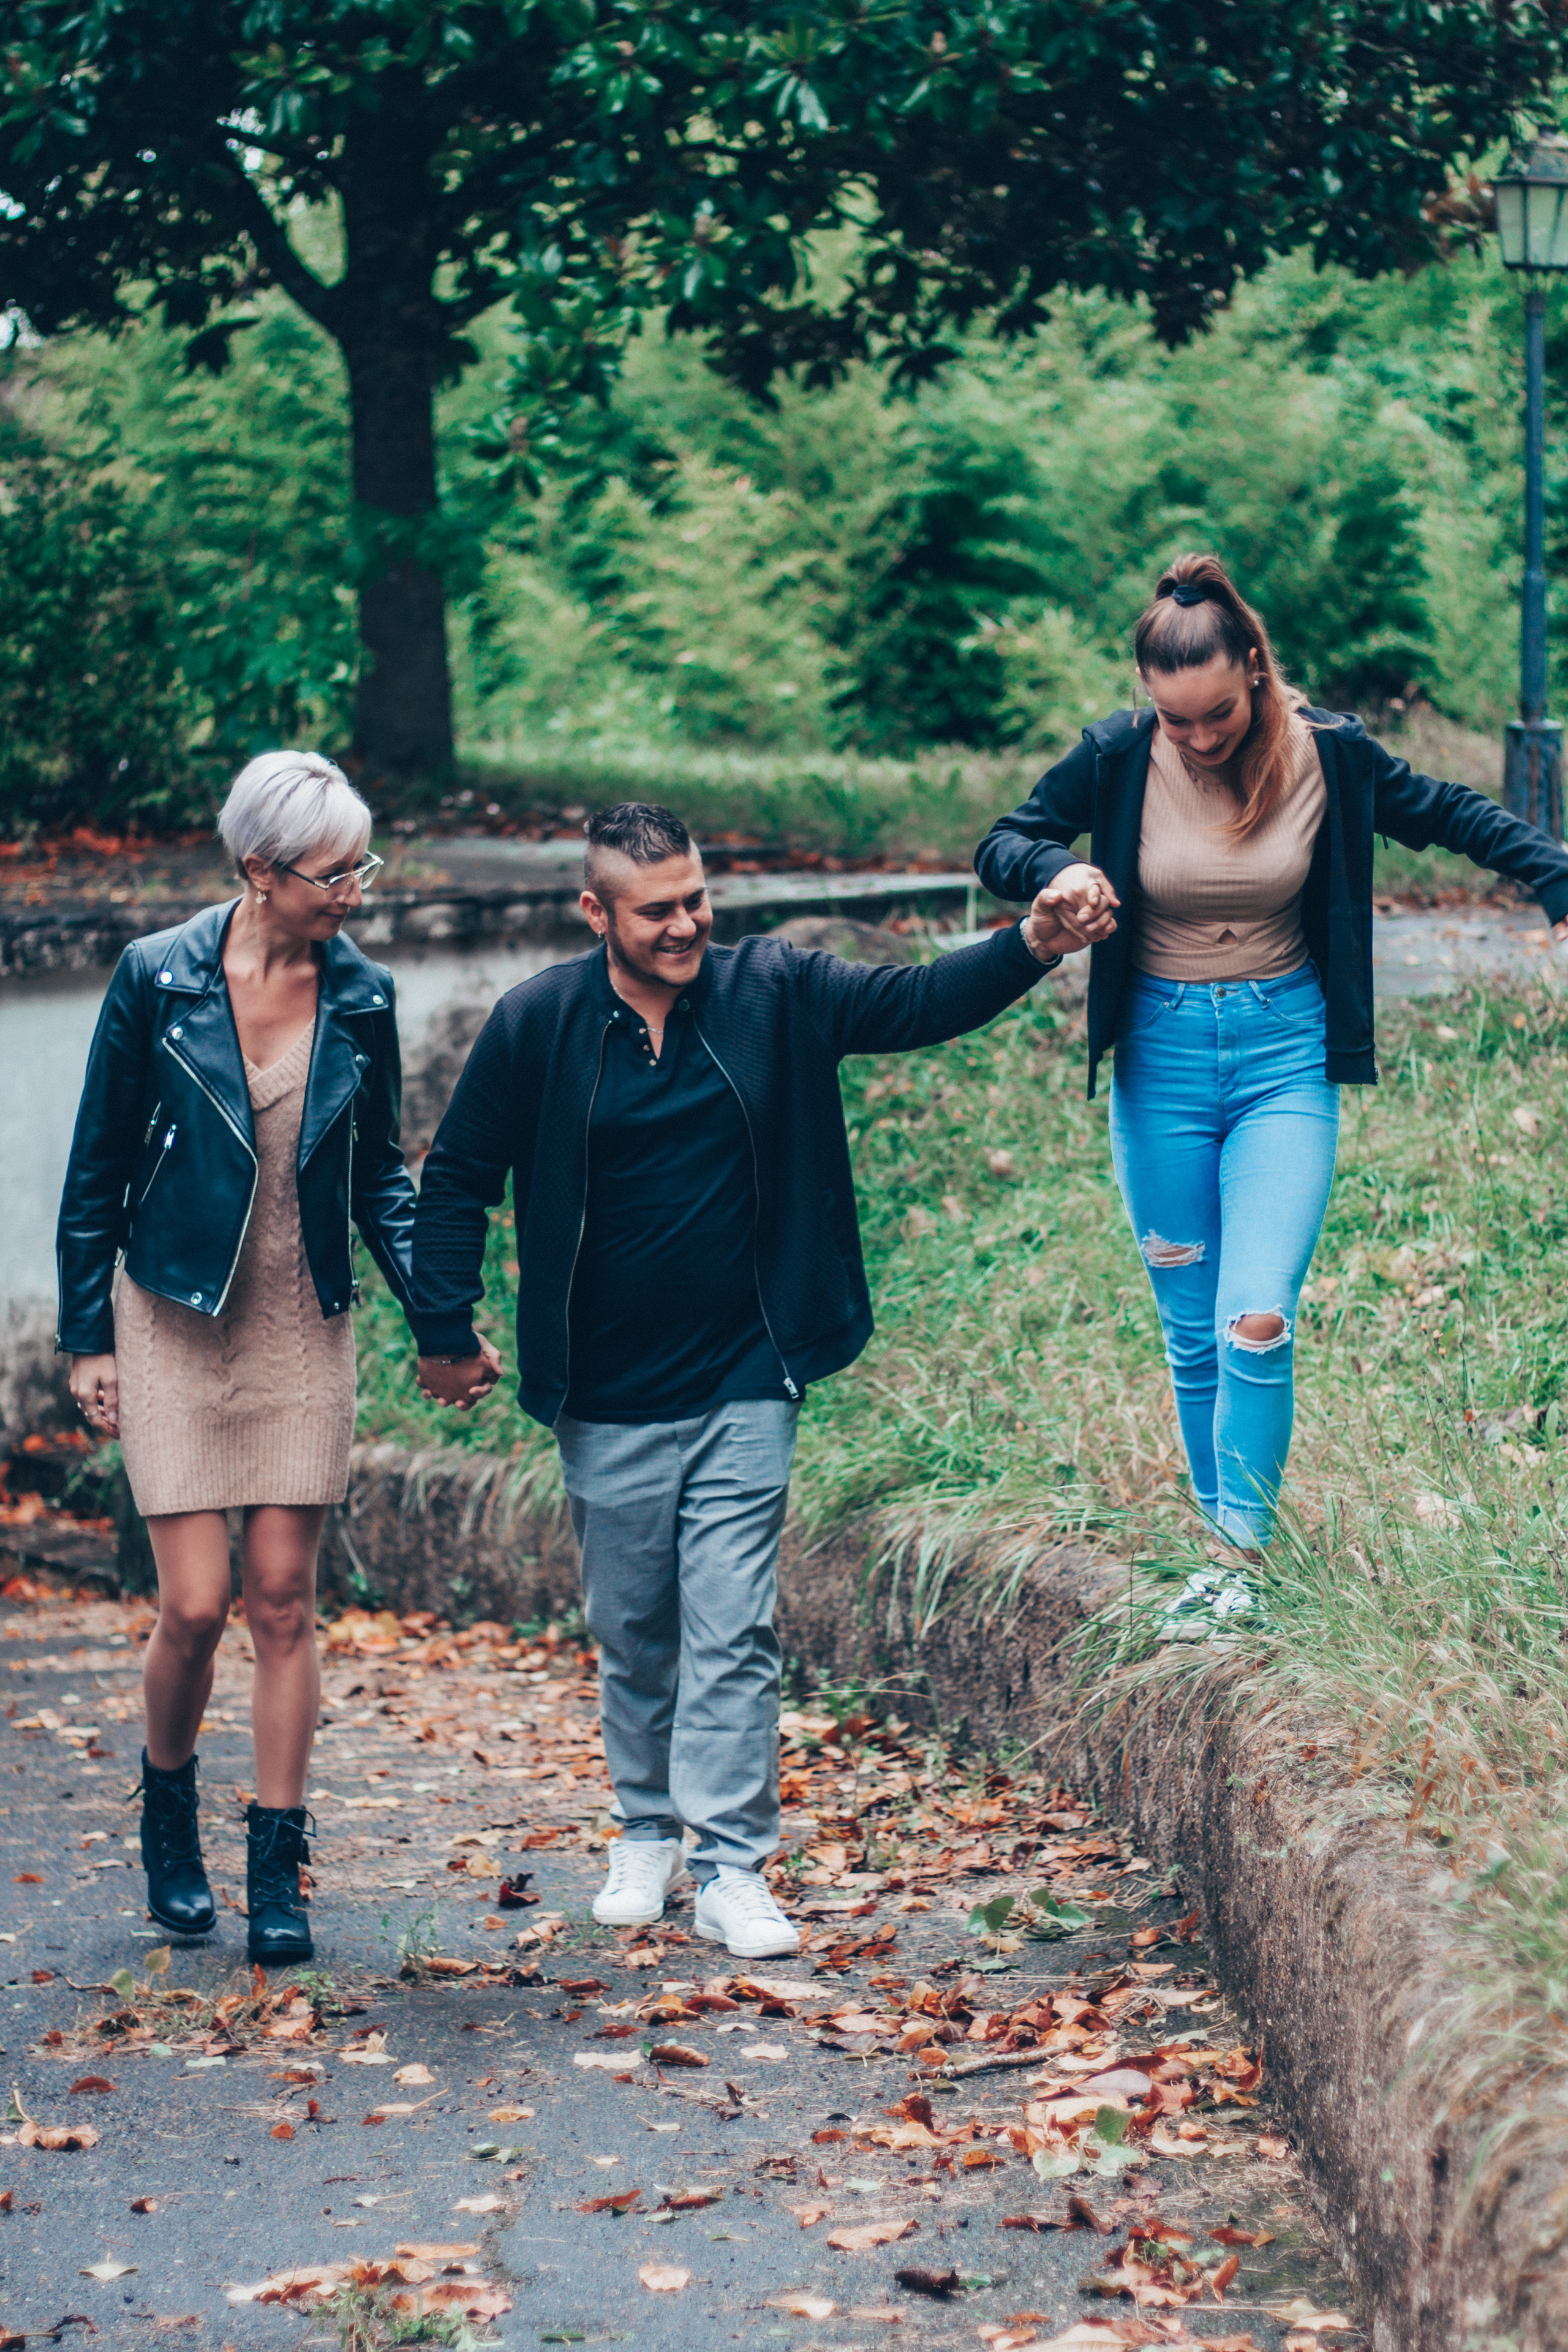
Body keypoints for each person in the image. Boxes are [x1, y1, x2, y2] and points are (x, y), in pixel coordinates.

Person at [408, 802, 1101, 1958]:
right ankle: (646, 1829)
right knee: (634, 1627)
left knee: (733, 1627)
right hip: (607, 1387)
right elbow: (460, 1175)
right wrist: (442, 1323)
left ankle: (733, 1865)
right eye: (656, 909)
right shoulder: (537, 1023)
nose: (685, 924)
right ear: (596, 913)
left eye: (695, 898)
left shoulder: (771, 989)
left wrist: (1032, 941)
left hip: (745, 1370)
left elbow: (915, 1001)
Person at [975, 551, 1568, 1609]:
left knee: (1257, 1315)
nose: (1197, 739)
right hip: (1160, 1057)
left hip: (1283, 1056)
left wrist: (1555, 877)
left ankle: (1237, 1564)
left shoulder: (1327, 753)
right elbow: (1007, 837)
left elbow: (1447, 813)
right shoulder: (1118, 755)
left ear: (1253, 667)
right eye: (1176, 720)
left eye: (1215, 714)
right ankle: (1221, 1554)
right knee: (1192, 1323)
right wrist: (1052, 869)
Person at [56, 752, 421, 1964]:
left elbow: (381, 1175)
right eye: (334, 872)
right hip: (169, 1315)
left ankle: (277, 1864)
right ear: (260, 871)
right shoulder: (155, 978)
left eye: (361, 864)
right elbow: (97, 1164)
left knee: (281, 1603)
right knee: (196, 1606)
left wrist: (436, 1314)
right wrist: (85, 1338)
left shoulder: (362, 993)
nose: (356, 890)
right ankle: (168, 1814)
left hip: (296, 1320)